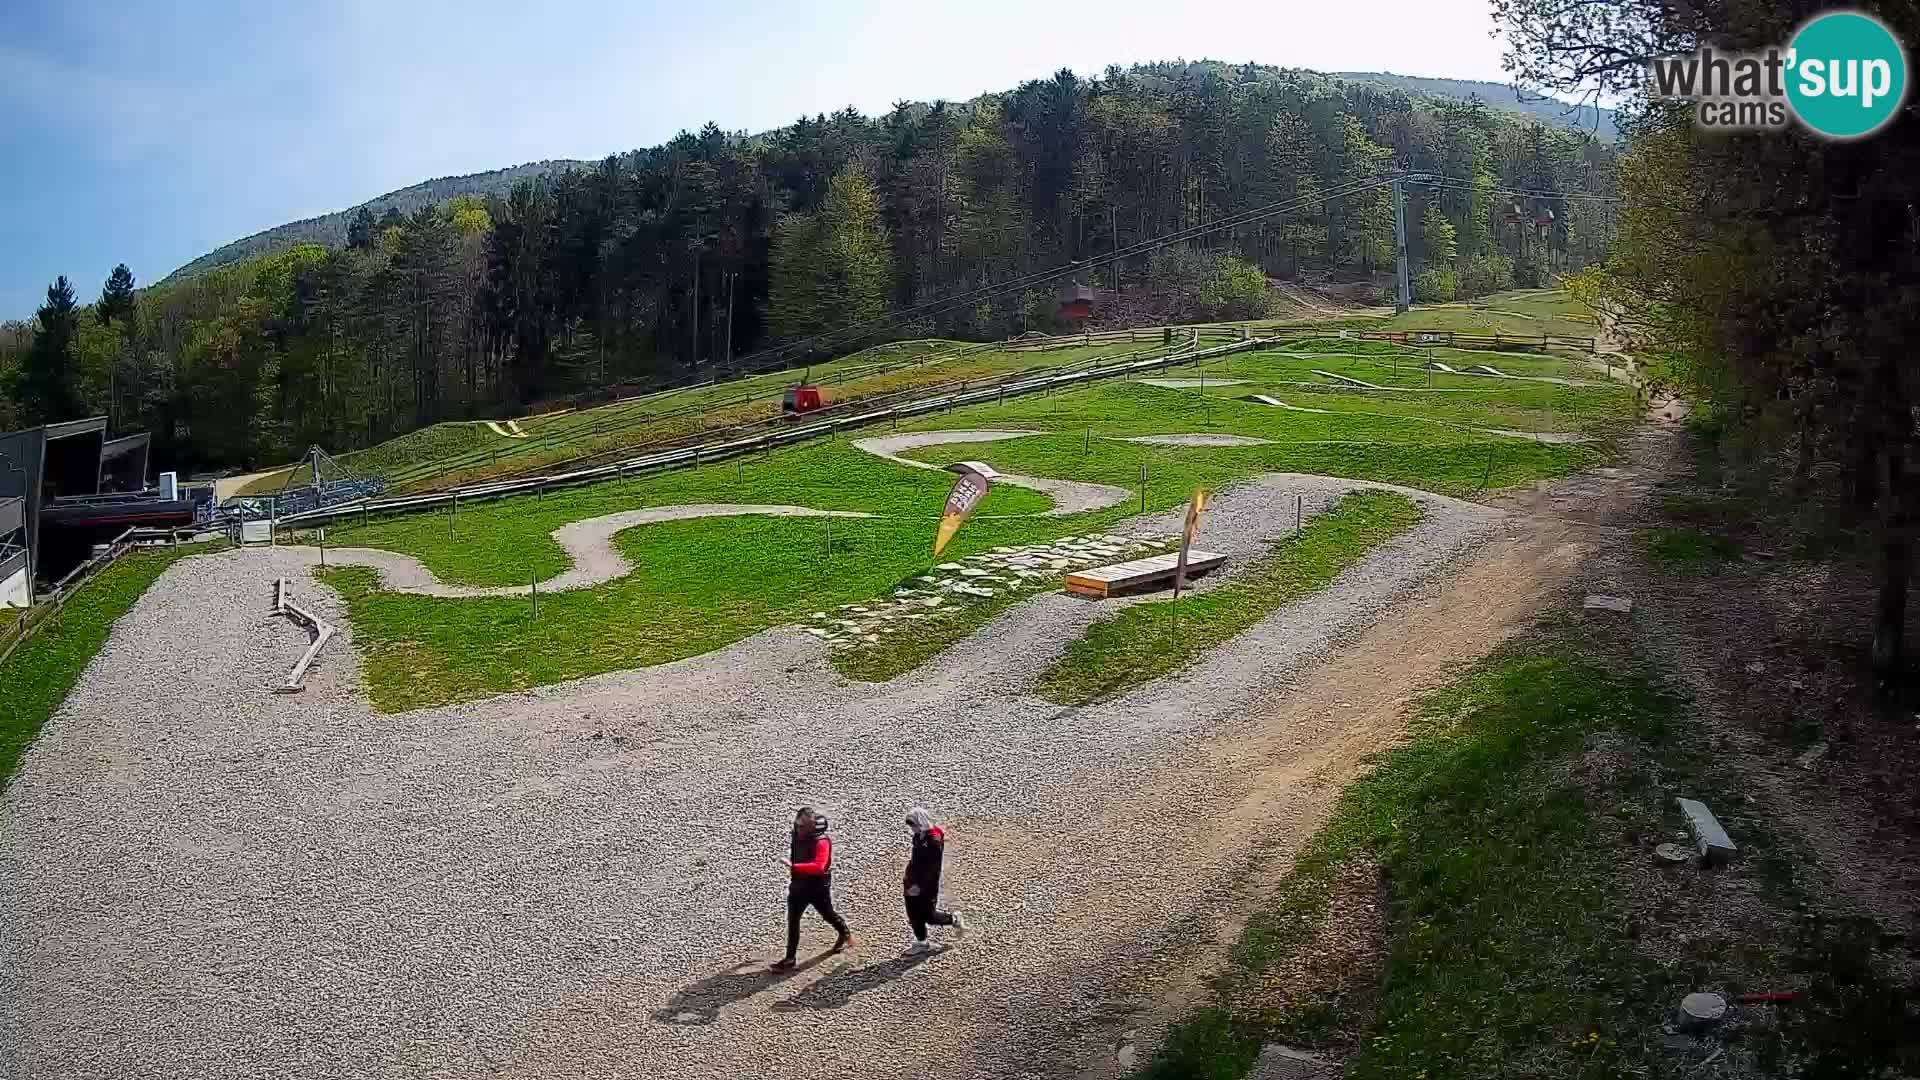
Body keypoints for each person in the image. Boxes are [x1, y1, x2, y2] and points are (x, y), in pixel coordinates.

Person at [773, 806, 851, 970]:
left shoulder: (821, 841)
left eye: (802, 826)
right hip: (798, 886)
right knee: (793, 921)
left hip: (817, 888)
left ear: (812, 827)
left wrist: (794, 867)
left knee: (827, 913)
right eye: (797, 824)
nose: (798, 828)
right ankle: (790, 958)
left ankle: (844, 932)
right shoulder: (797, 834)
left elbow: (819, 866)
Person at [902, 806, 967, 954]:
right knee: (913, 913)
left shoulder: (933, 841)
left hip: (926, 885)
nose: (912, 829)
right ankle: (921, 942)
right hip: (912, 880)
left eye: (914, 825)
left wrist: (919, 886)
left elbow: (932, 868)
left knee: (928, 916)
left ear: (921, 823)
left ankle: (954, 919)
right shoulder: (919, 836)